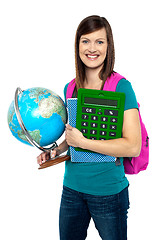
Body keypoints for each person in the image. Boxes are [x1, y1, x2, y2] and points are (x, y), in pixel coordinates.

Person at [37, 15, 141, 240]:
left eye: (99, 41)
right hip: (72, 190)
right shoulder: (70, 87)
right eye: (85, 41)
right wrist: (56, 150)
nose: (92, 48)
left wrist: (83, 143)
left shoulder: (121, 87)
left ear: (108, 46)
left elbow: (133, 146)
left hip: (109, 193)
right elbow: (74, 136)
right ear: (77, 45)